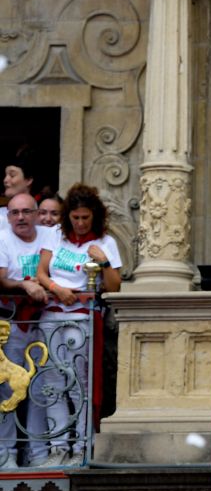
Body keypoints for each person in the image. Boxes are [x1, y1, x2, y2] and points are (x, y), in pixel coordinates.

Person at [34, 183, 121, 467]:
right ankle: (58, 446)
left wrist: (104, 261)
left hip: (81, 318)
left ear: (94, 216)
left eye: (85, 217)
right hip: (52, 314)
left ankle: (82, 444)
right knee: (52, 383)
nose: (80, 223)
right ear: (68, 216)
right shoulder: (56, 238)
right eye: (75, 217)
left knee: (79, 385)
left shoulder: (106, 242)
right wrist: (56, 288)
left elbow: (114, 286)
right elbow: (41, 273)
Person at [0, 193, 57, 467]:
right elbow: (0, 279)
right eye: (14, 213)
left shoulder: (50, 235)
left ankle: (40, 454)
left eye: (26, 212)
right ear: (8, 216)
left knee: (40, 389)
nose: (20, 217)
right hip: (11, 325)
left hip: (46, 322)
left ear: (36, 213)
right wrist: (25, 284)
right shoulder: (3, 238)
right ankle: (6, 454)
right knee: (8, 390)